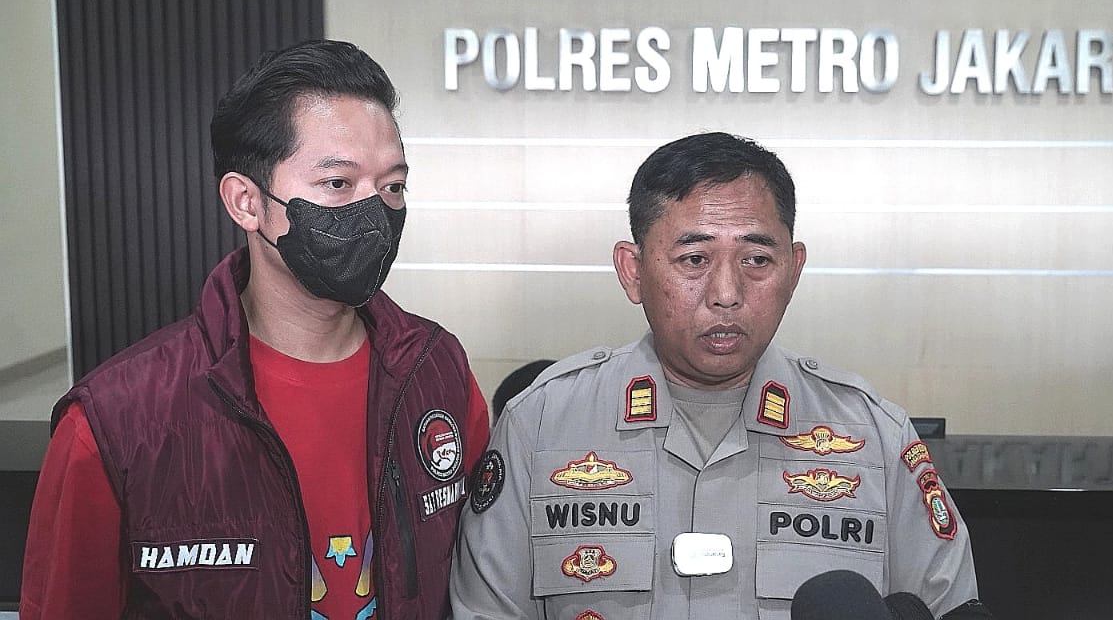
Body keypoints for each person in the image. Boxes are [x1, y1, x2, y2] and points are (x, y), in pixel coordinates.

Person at [21, 39, 490, 619]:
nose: (376, 213)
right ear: (246, 201)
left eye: (393, 186)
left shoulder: (437, 370)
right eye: (338, 184)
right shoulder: (115, 422)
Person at [450, 132, 992, 619]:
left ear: (794, 269)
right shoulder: (542, 425)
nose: (726, 293)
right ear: (633, 272)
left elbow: (948, 607)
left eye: (756, 259)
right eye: (694, 259)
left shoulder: (875, 438)